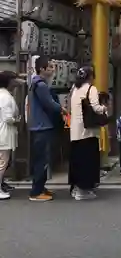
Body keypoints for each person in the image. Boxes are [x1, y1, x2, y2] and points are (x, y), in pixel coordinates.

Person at [28, 56, 67, 202]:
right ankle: (36, 192)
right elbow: (49, 104)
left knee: (43, 159)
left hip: (41, 126)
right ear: (42, 69)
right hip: (42, 127)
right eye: (50, 67)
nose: (52, 69)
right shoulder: (41, 85)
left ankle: (40, 187)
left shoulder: (37, 83)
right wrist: (62, 109)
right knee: (42, 160)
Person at [69, 66, 106, 200]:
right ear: (91, 77)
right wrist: (105, 108)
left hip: (75, 131)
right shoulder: (91, 89)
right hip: (87, 131)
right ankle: (83, 190)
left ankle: (75, 188)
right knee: (88, 161)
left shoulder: (74, 88)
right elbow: (96, 108)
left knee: (77, 160)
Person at [0, 71, 21, 200]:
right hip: (4, 133)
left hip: (3, 132)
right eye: (14, 79)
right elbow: (8, 118)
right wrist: (17, 119)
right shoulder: (5, 97)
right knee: (2, 163)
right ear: (9, 81)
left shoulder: (4, 94)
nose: (17, 82)